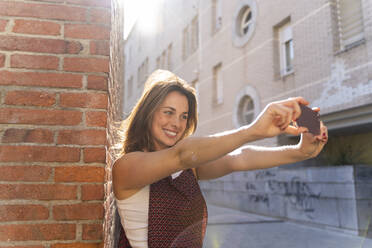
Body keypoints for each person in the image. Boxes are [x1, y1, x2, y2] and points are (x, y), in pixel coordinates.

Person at [112, 69, 328, 248]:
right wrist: (252, 130)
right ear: (148, 112)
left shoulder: (187, 170)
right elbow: (183, 155)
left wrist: (301, 151)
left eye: (184, 116)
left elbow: (240, 158)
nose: (177, 123)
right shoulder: (127, 167)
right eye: (168, 112)